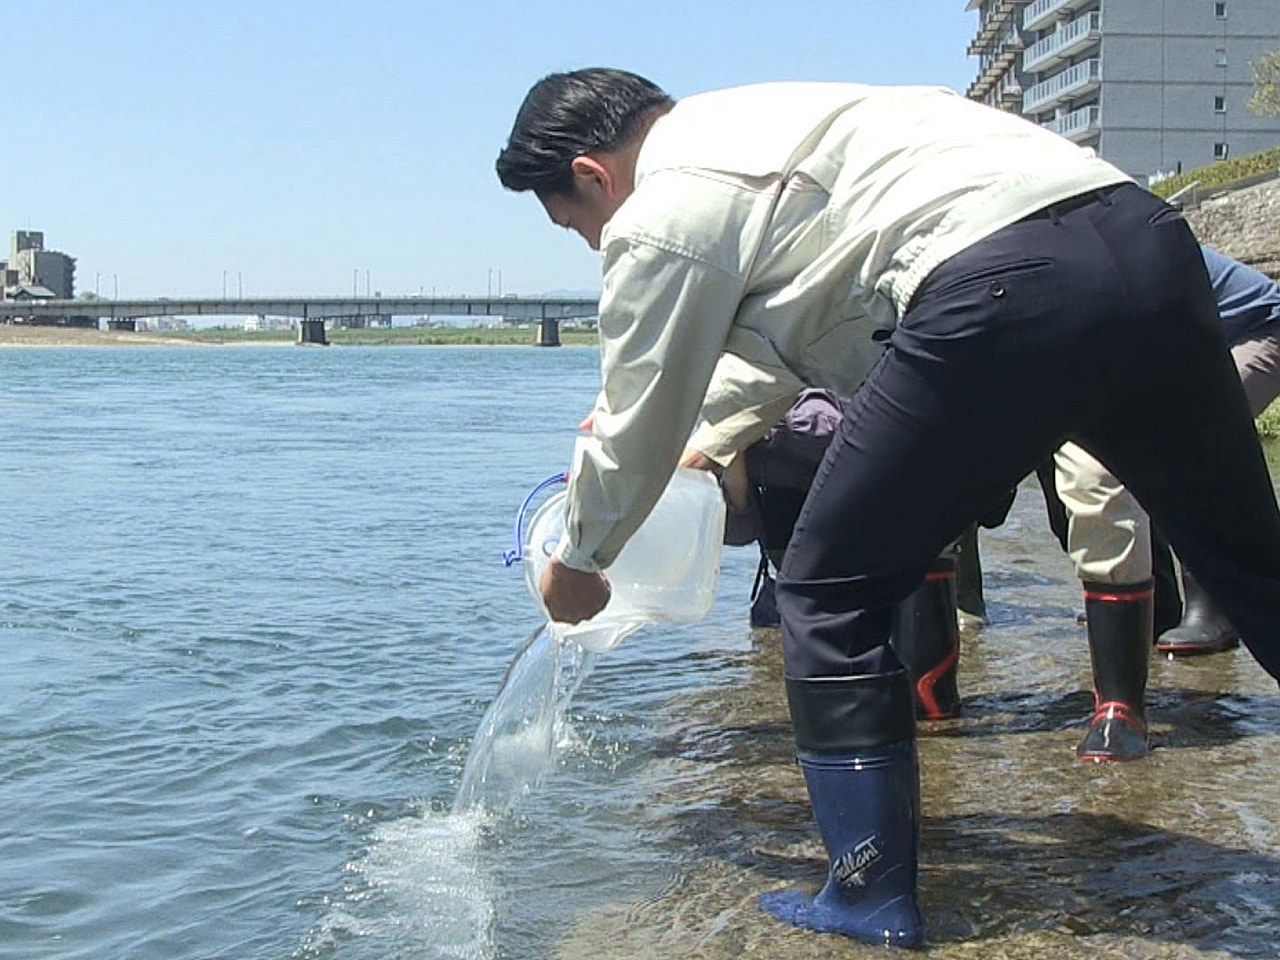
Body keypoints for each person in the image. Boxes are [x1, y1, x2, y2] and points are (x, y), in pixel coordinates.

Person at [495, 69, 1280, 948]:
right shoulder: (785, 116)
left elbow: (636, 413)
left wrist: (583, 558)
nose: (595, 242)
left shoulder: (660, 209)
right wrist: (709, 438)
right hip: (1148, 242)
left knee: (827, 588)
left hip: (1000, 285)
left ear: (593, 174)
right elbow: (797, 332)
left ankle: (866, 895)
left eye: (577, 225)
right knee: (1253, 563)